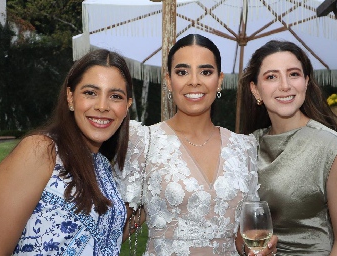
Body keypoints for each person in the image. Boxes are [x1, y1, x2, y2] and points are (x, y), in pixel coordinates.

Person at [114, 34, 277, 256]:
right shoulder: (143, 141)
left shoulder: (244, 147)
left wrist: (258, 248)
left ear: (219, 80)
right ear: (169, 80)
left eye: (205, 72)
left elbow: (242, 239)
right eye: (182, 72)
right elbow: (117, 227)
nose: (194, 81)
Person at [0, 49, 133, 255]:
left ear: (127, 105)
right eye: (90, 92)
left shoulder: (103, 166)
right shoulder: (41, 151)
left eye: (115, 96)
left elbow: (102, 241)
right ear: (70, 97)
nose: (102, 106)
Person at [240, 40, 337, 255]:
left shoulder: (330, 148)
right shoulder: (246, 146)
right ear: (255, 89)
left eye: (293, 74)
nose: (285, 85)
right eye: (271, 77)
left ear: (306, 82)